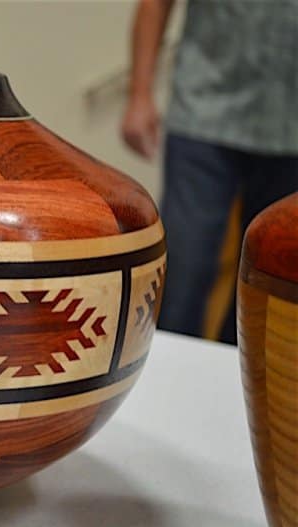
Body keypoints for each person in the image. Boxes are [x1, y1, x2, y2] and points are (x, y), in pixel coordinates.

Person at [121, 0, 298, 344]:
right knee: (184, 270)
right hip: (203, 116)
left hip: (290, 133)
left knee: (270, 279)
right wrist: (139, 94)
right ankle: (167, 365)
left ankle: (241, 372)